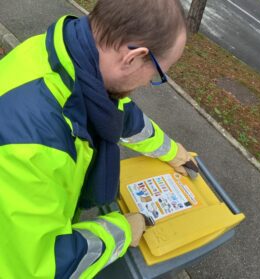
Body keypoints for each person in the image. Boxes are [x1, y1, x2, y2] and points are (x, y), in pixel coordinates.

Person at [0, 0, 195, 278]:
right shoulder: (37, 146)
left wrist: (171, 151)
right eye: (157, 75)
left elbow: (123, 116)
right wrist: (125, 229)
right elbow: (44, 267)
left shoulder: (65, 55)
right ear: (133, 58)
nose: (145, 85)